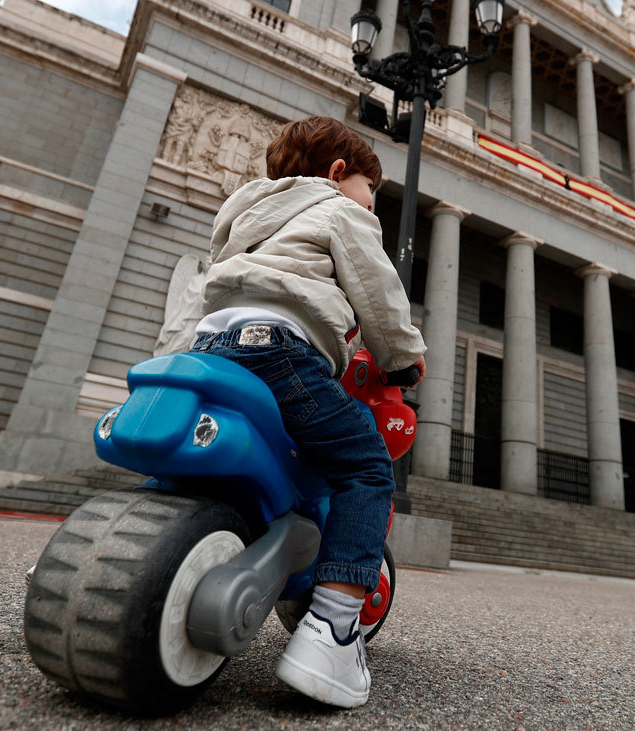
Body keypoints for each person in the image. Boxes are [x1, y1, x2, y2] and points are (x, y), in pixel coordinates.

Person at [190, 115, 426, 709]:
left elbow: (214, 281)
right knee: (367, 467)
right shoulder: (339, 209)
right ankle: (334, 631)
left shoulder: (245, 212)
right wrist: (404, 359)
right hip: (281, 350)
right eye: (373, 188)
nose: (374, 202)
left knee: (199, 456)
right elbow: (377, 293)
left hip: (212, 348)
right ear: (338, 173)